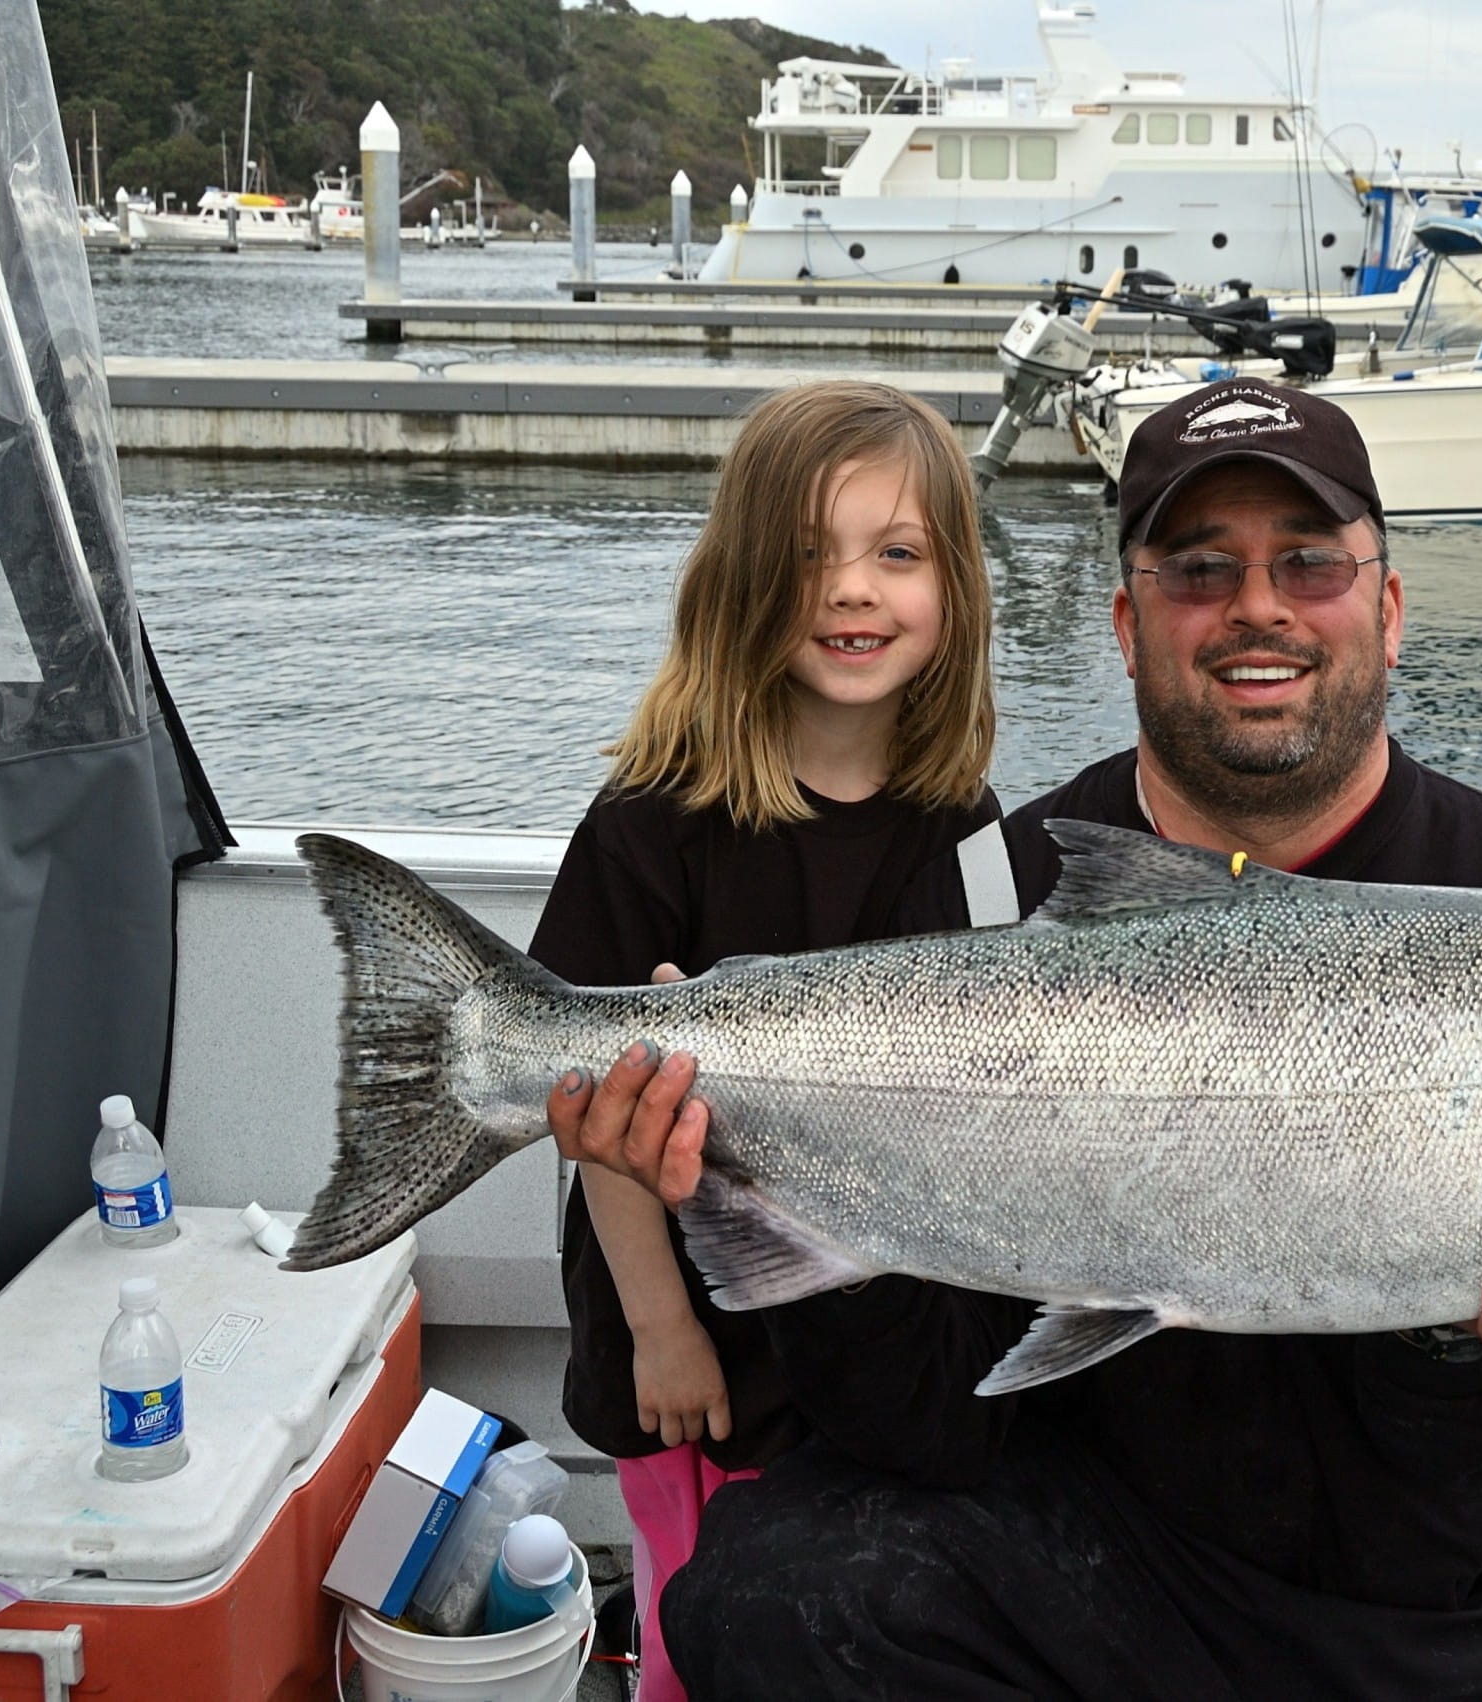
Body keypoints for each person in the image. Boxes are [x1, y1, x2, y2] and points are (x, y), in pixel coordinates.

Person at [552, 380, 1482, 1700]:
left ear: (1389, 605)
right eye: (1203, 569)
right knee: (761, 1591)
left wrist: (1470, 1334)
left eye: (1308, 563)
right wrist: (804, 1210)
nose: (1258, 605)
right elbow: (927, 1413)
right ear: (1130, 622)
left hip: (1397, 1584)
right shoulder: (989, 888)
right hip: (1083, 1547)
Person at [525, 380, 1003, 1702]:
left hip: (873, 1320)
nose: (852, 592)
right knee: (695, 1625)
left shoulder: (967, 828)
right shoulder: (652, 825)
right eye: (806, 556)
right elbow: (598, 1105)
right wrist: (663, 1324)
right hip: (683, 1321)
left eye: (896, 554)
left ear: (953, 585)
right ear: (739, 579)